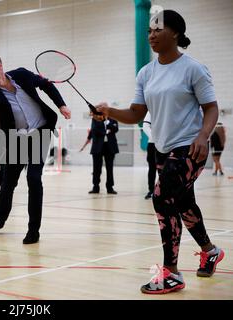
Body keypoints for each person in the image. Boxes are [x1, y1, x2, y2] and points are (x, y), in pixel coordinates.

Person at [94, 10, 224, 294]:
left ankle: (172, 272)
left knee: (161, 196)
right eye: (148, 31)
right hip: (163, 149)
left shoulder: (193, 69)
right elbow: (136, 113)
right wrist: (109, 112)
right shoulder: (146, 72)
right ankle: (210, 250)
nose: (151, 35)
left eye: (157, 29)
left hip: (190, 146)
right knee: (184, 203)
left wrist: (204, 135)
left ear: (175, 33)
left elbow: (211, 107)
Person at [0, 54, 71, 244]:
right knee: (8, 182)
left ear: (0, 66)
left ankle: (33, 230)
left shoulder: (22, 75)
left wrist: (61, 105)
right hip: (17, 139)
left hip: (39, 132)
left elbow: (46, 84)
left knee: (33, 178)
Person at [86, 116, 119, 194]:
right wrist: (106, 131)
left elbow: (116, 129)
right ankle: (96, 187)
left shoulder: (113, 119)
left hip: (110, 147)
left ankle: (110, 187)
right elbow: (95, 130)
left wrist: (107, 124)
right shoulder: (95, 119)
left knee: (109, 168)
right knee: (96, 168)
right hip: (98, 147)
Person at [142, 112, 157, 199]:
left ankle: (165, 192)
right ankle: (151, 190)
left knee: (166, 169)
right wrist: (156, 138)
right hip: (152, 144)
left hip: (167, 144)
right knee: (152, 168)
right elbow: (145, 126)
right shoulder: (151, 111)